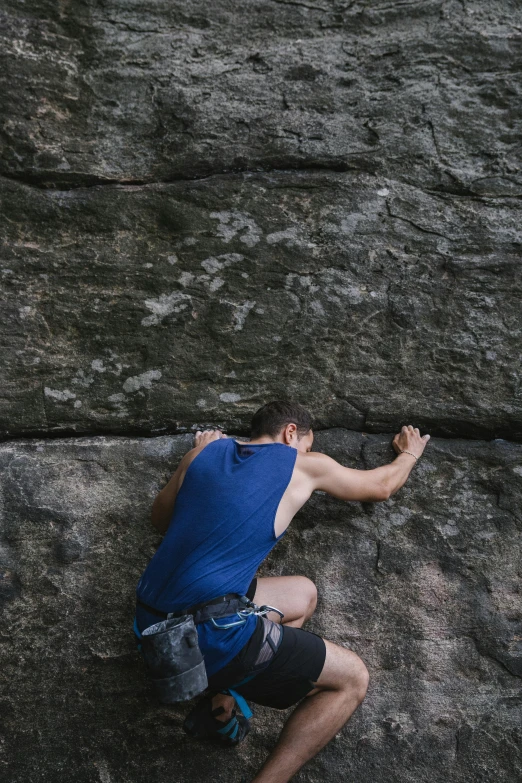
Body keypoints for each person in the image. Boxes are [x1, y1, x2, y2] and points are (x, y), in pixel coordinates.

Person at [133, 400, 430, 783]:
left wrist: (200, 455)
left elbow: (160, 519)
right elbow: (382, 486)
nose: (308, 453)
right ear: (291, 433)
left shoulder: (203, 452)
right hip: (208, 639)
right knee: (353, 678)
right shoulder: (302, 465)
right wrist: (409, 453)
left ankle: (219, 705)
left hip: (153, 627)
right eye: (307, 445)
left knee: (301, 594)